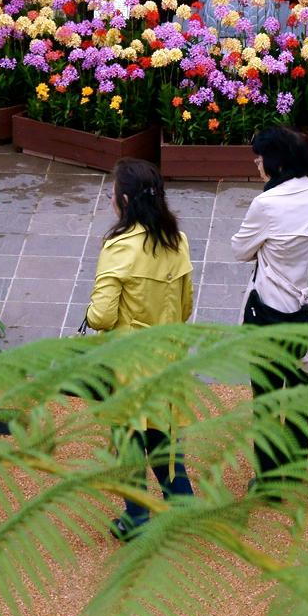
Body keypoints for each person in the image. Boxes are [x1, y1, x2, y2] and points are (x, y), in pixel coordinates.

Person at [84, 158, 196, 540]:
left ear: (126, 199)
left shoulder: (118, 247)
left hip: (129, 362)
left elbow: (101, 316)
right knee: (164, 436)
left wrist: (88, 311)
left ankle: (136, 518)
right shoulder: (176, 240)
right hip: (167, 355)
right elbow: (186, 304)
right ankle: (182, 505)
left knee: (128, 441)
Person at [230, 125, 308, 478]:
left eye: (259, 159)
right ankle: (294, 471)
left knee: (267, 400)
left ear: (273, 165)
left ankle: (268, 479)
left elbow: (240, 250)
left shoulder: (266, 205)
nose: (256, 165)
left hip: (269, 314)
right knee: (301, 396)